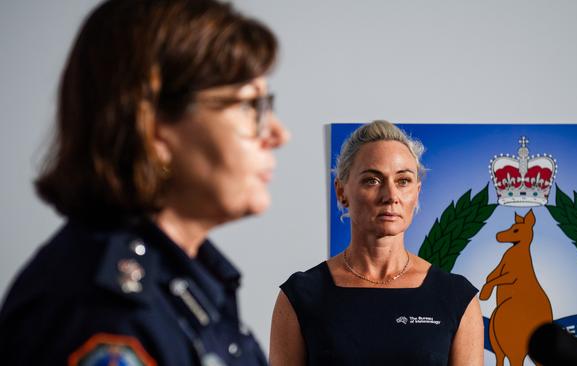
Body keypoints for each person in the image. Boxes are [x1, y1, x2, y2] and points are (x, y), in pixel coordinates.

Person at [0, 0, 289, 365]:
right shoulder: (106, 312)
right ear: (153, 127)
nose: (279, 133)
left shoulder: (187, 281)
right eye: (250, 107)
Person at [270, 120, 483, 366]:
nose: (391, 196)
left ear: (417, 192)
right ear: (341, 191)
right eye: (372, 180)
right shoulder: (301, 295)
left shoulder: (456, 297)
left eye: (403, 181)